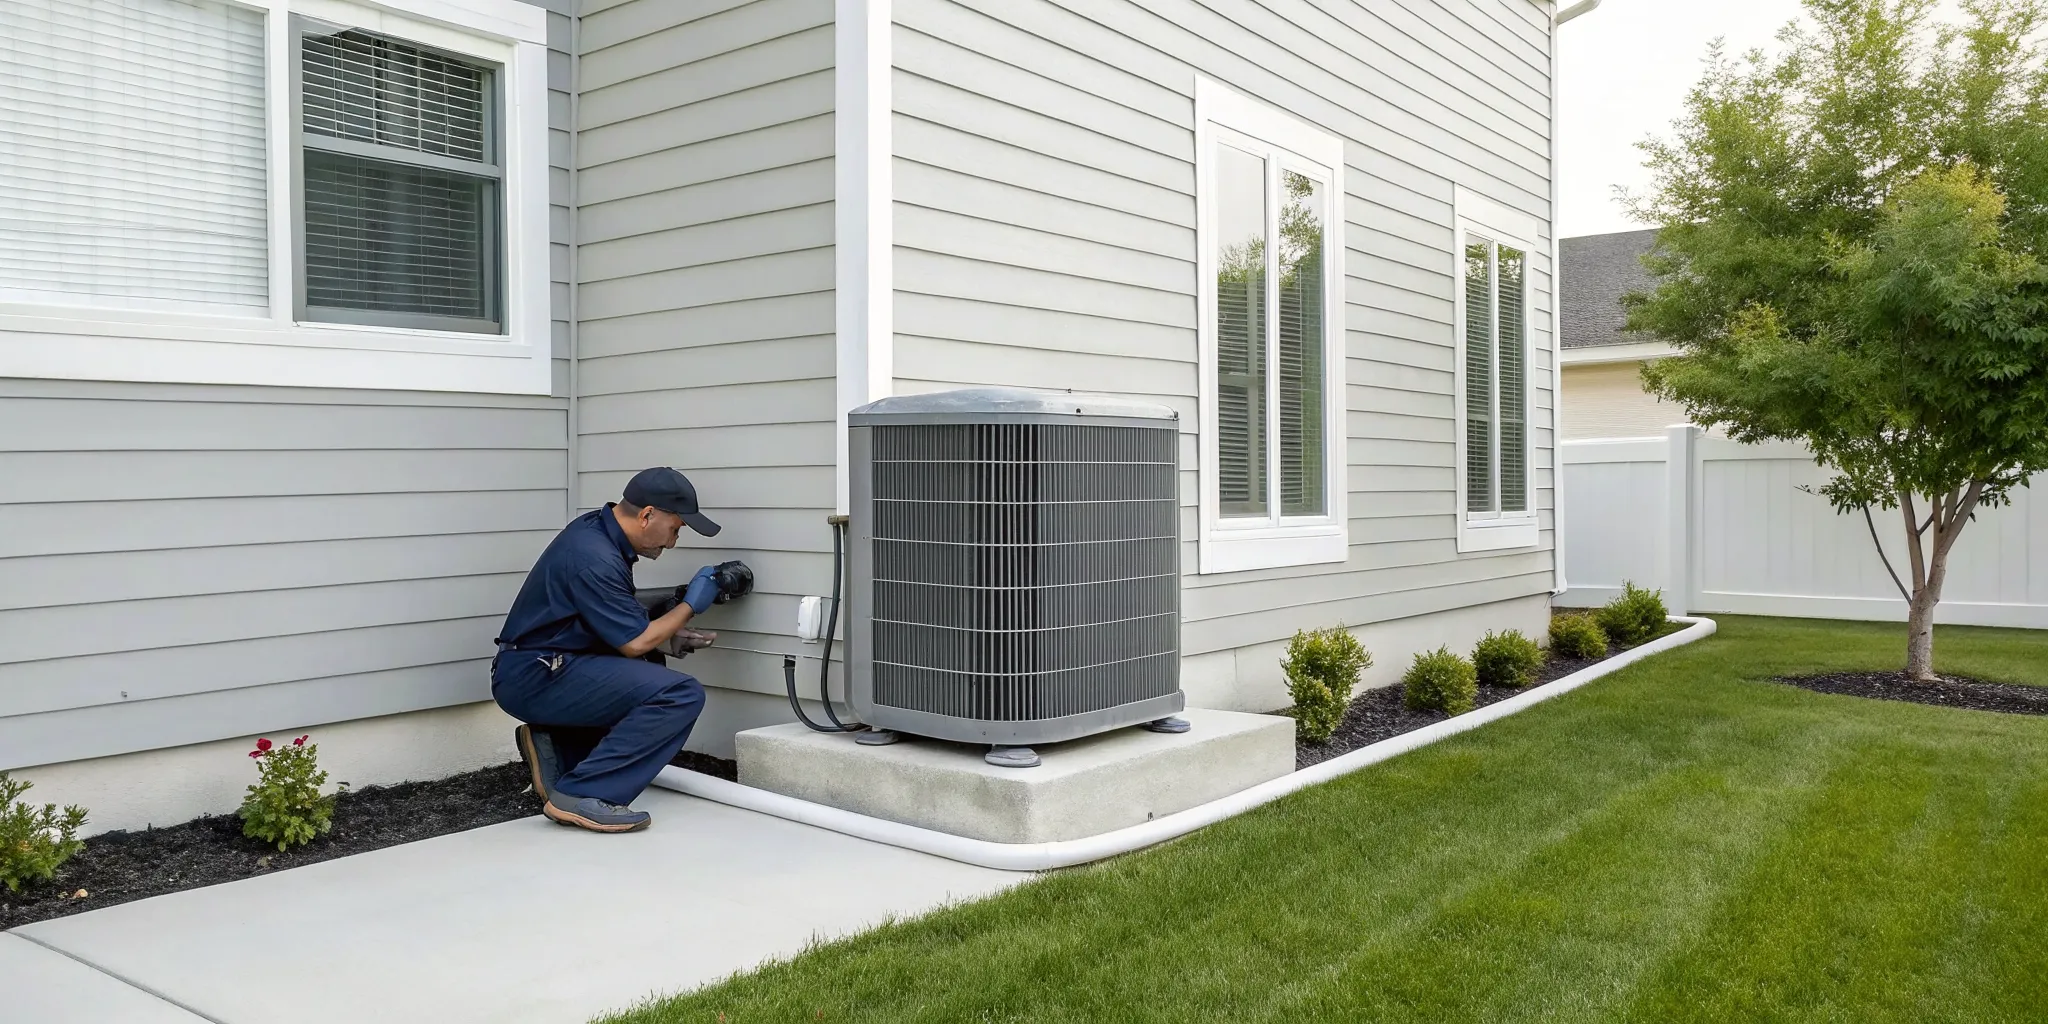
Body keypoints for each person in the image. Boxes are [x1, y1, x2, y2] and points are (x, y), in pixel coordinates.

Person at [490, 467, 727, 833]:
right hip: (533, 675)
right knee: (680, 694)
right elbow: (634, 642)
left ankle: (557, 744)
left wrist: (667, 638)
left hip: (547, 665)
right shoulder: (593, 556)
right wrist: (690, 606)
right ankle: (581, 795)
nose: (673, 543)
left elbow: (612, 621)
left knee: (651, 662)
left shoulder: (598, 532)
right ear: (647, 515)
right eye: (675, 529)